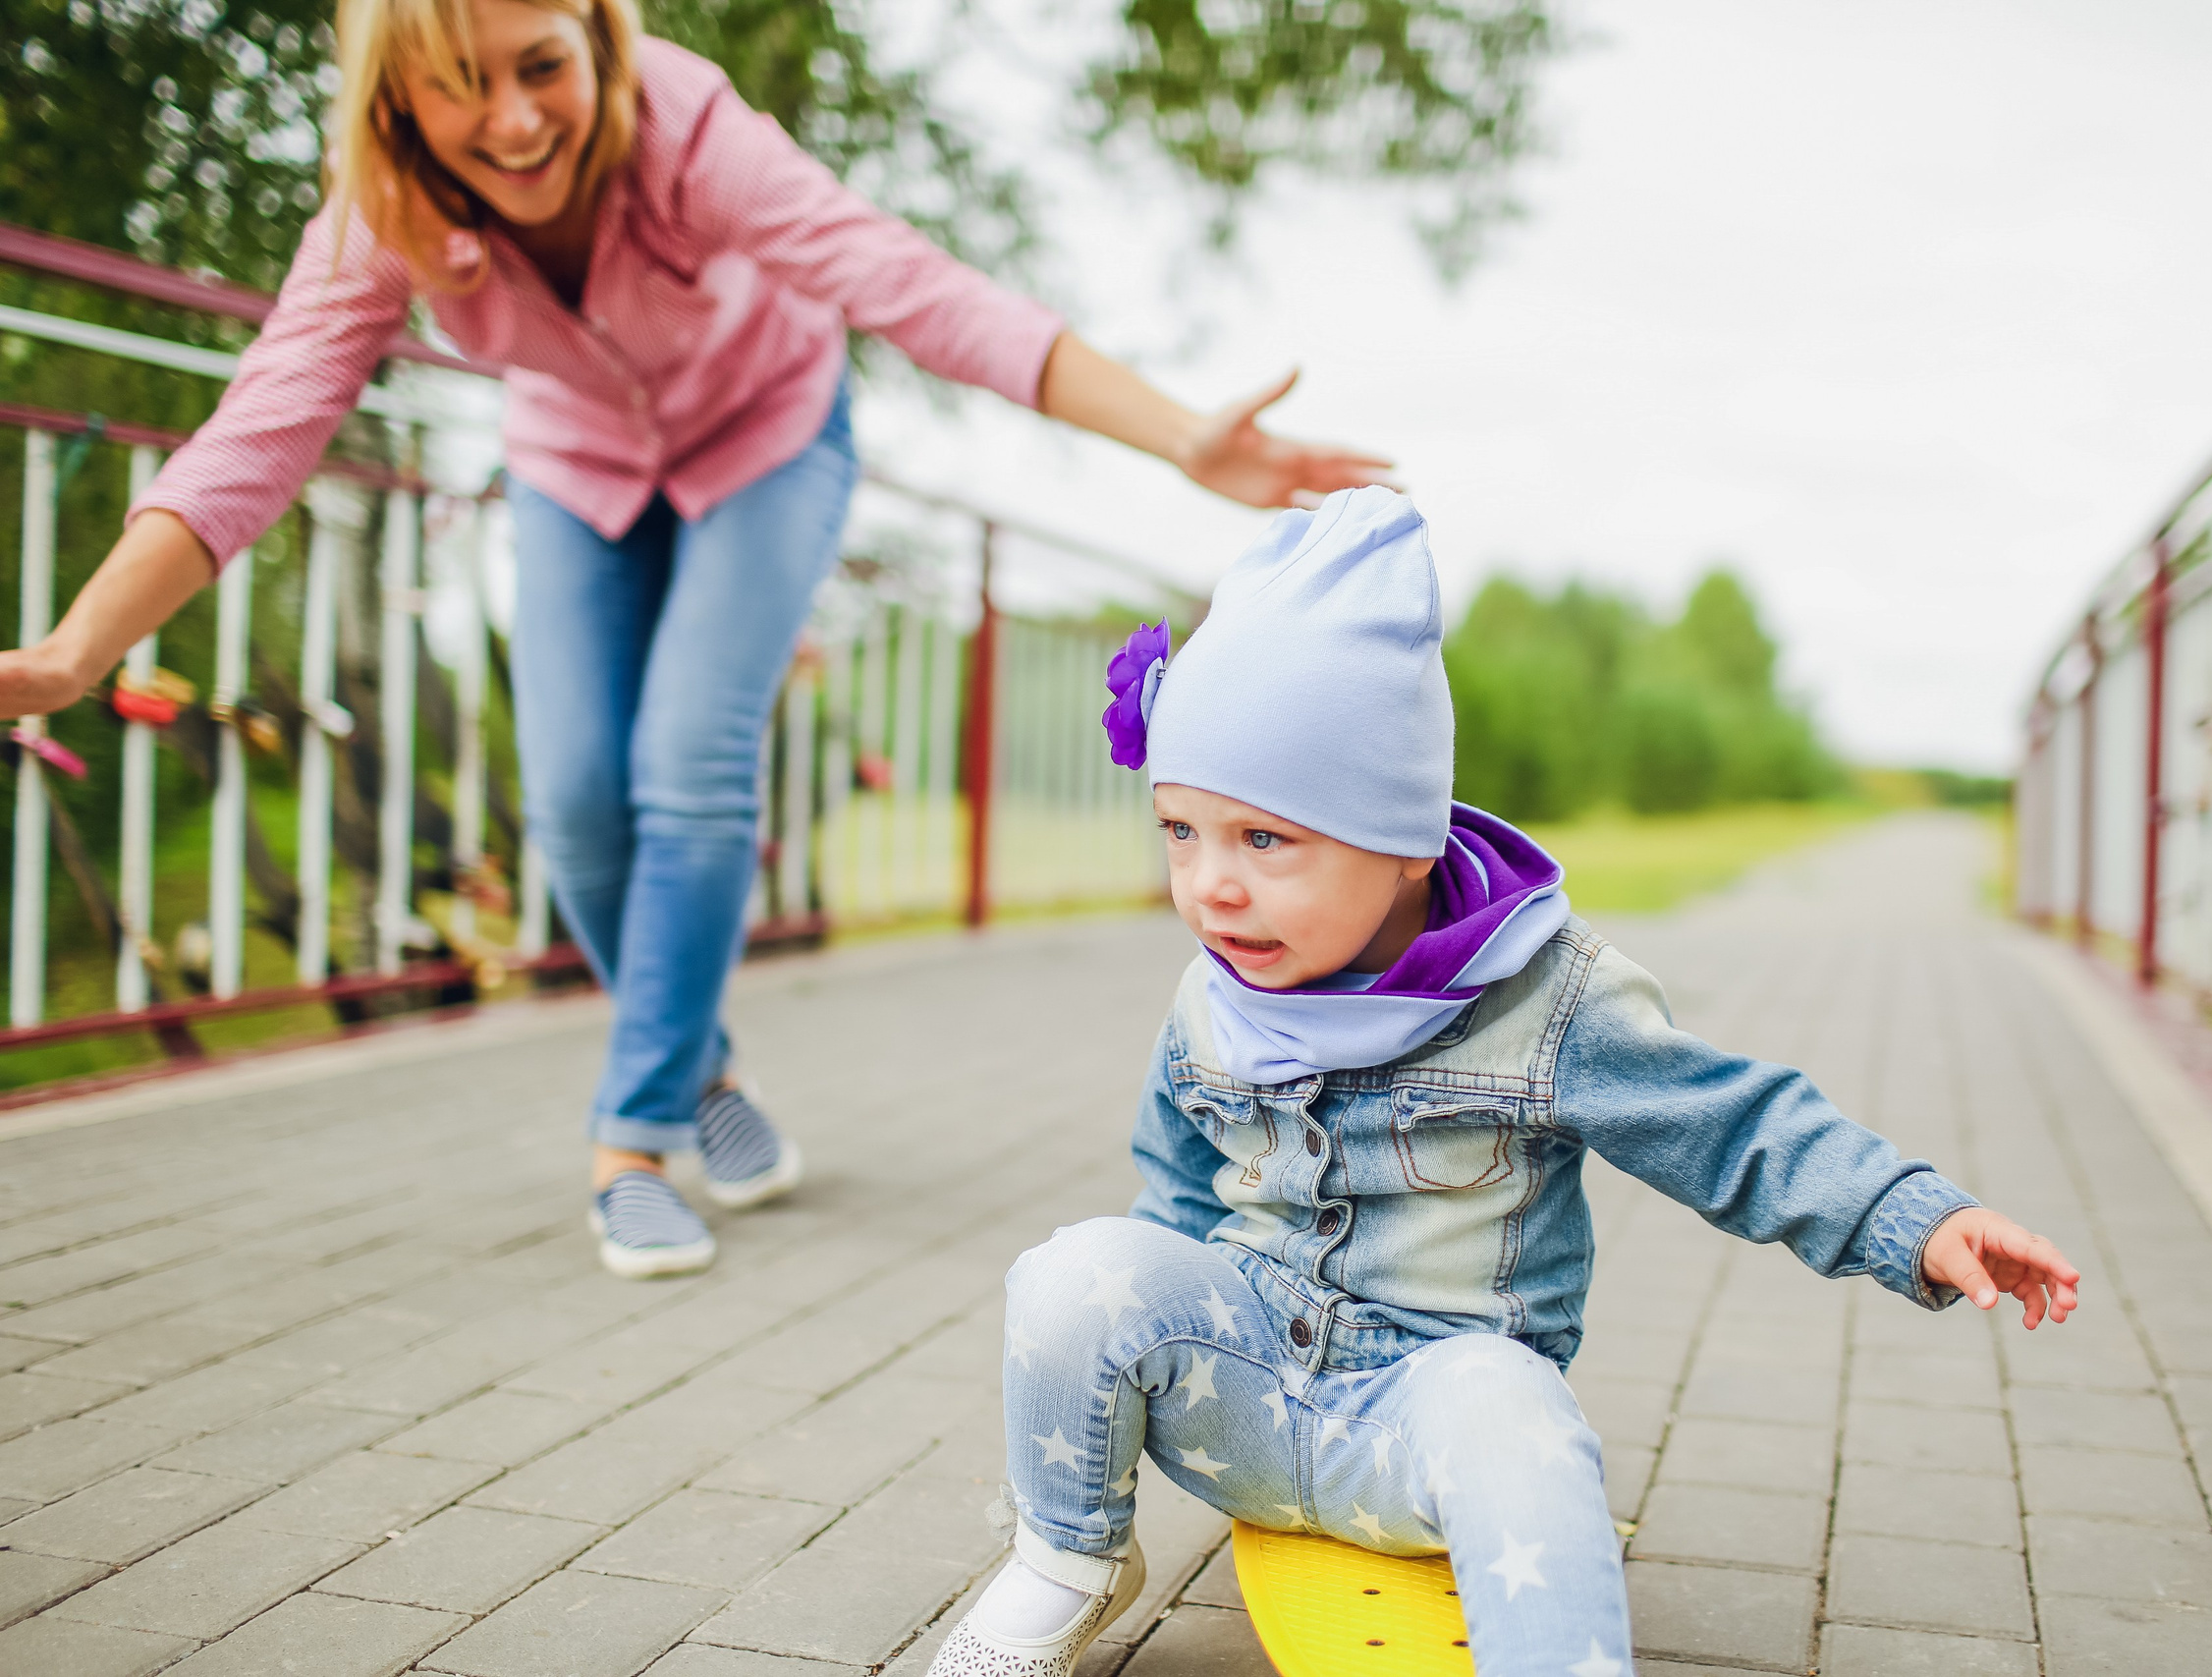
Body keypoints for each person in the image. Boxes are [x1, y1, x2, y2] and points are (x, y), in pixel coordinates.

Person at [0, 0, 1390, 1279]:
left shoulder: (694, 133)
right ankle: (704, 1064)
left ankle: (634, 1134)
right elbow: (261, 432)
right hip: (576, 466)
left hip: (766, 442)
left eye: (543, 65)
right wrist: (72, 652)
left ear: (599, 43)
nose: (516, 118)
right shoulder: (381, 216)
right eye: (461, 86)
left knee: (690, 758)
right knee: (577, 806)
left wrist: (1177, 437)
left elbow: (923, 291)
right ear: (397, 99)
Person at [934, 487, 2081, 1677]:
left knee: (1515, 1414)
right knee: (1074, 1270)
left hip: (1425, 1432)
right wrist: (1120, 1346)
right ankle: (1067, 1560)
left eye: (1264, 841)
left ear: (1401, 840)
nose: (1210, 888)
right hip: (1242, 1407)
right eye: (1182, 832)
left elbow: (1737, 1129)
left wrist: (1914, 1217)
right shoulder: (1213, 997)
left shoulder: (1553, 1001)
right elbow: (1173, 1190)